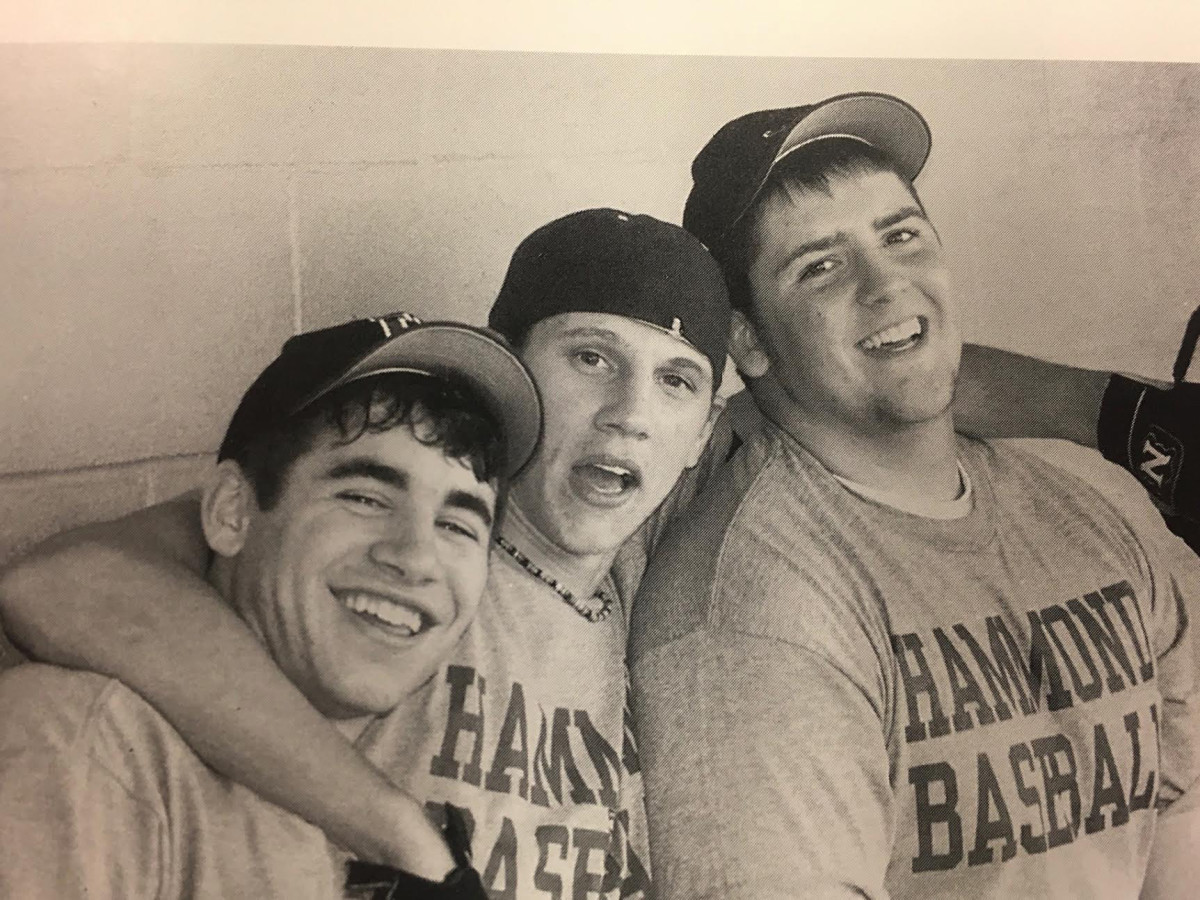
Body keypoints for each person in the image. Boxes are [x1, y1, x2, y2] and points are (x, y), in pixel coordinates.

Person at [2, 202, 1197, 897]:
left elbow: (883, 369)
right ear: (510, 370)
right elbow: (71, 581)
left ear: (711, 416)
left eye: (675, 381)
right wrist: (415, 853)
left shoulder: (663, 537)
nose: (632, 410)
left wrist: (1117, 414)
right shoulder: (422, 564)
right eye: (587, 359)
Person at [629, 92, 1200, 900]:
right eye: (819, 266)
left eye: (900, 235)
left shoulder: (1088, 523)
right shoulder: (750, 618)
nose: (887, 283)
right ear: (748, 340)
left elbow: (1179, 832)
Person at [0, 312, 544, 898]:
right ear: (232, 511)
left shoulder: (432, 763)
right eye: (363, 496)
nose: (415, 557)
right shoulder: (92, 746)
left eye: (458, 525)